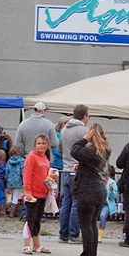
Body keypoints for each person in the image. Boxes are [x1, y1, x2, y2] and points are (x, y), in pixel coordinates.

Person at [69, 123, 110, 256]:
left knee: (85, 224)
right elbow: (91, 166)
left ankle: (86, 255)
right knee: (92, 222)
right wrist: (81, 167)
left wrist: (85, 139)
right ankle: (92, 255)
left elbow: (74, 150)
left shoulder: (90, 150)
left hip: (87, 190)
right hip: (99, 190)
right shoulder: (105, 150)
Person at [59, 104, 90, 244]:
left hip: (65, 169)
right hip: (77, 170)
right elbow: (89, 151)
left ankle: (63, 233)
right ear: (84, 116)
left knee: (66, 202)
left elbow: (60, 149)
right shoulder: (83, 131)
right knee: (76, 203)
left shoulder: (64, 129)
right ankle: (73, 233)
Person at [22, 135, 53, 255]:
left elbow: (45, 175)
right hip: (33, 193)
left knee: (37, 220)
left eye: (43, 143)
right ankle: (26, 244)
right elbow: (27, 174)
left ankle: (36, 244)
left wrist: (51, 178)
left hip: (42, 193)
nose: (41, 145)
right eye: (39, 143)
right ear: (35, 145)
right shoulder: (31, 157)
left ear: (47, 145)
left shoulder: (45, 158)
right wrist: (27, 191)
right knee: (30, 219)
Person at [98, 165, 118, 243]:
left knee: (103, 216)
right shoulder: (98, 180)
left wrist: (112, 190)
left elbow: (113, 197)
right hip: (98, 202)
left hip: (106, 204)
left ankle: (100, 235)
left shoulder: (112, 182)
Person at [5, 147, 25, 218]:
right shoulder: (22, 161)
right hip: (18, 181)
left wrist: (6, 179)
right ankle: (12, 212)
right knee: (15, 197)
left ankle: (8, 209)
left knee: (9, 196)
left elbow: (6, 171)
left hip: (10, 181)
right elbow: (23, 171)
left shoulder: (9, 161)